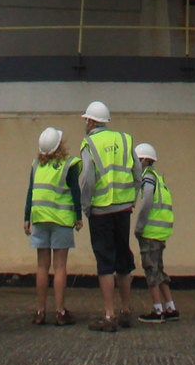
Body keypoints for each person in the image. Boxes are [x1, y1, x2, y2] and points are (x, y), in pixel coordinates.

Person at [76, 99, 138, 331]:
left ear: (92, 121)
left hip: (101, 210)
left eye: (86, 120)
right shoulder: (125, 139)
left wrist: (86, 206)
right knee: (124, 259)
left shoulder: (89, 144)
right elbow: (137, 172)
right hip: (123, 208)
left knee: (105, 262)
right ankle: (126, 310)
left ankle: (109, 315)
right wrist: (132, 197)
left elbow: (89, 178)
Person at [25, 126, 82, 325]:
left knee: (42, 266)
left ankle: (40, 312)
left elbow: (31, 191)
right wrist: (78, 216)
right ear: (60, 145)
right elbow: (76, 192)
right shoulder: (69, 165)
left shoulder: (36, 165)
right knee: (59, 267)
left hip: (39, 218)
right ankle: (60, 312)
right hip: (61, 221)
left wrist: (26, 218)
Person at [132, 142, 180, 322]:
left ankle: (157, 310)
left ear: (144, 160)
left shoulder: (147, 178)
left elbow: (146, 203)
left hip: (150, 232)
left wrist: (139, 227)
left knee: (150, 270)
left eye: (136, 160)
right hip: (161, 232)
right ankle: (170, 307)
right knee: (159, 269)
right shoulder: (159, 178)